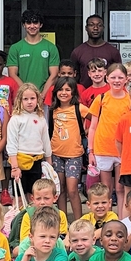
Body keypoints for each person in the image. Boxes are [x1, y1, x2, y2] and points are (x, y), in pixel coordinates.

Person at [87, 63, 131, 210]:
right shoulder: (101, 99)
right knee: (106, 188)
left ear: (126, 79)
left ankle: (120, 220)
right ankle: (107, 220)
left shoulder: (130, 100)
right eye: (113, 77)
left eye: (120, 77)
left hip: (123, 149)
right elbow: (92, 127)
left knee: (120, 189)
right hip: (103, 148)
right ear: (107, 78)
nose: (117, 80)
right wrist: (91, 151)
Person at [48, 76, 89, 221]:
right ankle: (63, 222)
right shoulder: (52, 110)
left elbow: (95, 118)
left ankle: (78, 222)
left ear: (73, 92)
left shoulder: (79, 108)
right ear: (55, 92)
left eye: (67, 89)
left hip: (74, 155)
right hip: (56, 154)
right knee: (60, 190)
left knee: (72, 190)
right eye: (60, 89)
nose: (63, 92)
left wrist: (89, 131)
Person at [7, 83, 51, 201]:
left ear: (37, 99)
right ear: (20, 100)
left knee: (34, 196)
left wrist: (49, 164)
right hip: (20, 162)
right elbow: (11, 143)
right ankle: (20, 218)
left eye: (32, 98)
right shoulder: (16, 119)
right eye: (25, 99)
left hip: (36, 162)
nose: (29, 102)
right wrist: (15, 167)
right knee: (20, 196)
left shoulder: (41, 118)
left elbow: (46, 141)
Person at [7, 9, 60, 92]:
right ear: (24, 25)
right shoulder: (15, 48)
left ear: (41, 24)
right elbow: (12, 74)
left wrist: (42, 95)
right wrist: (27, 92)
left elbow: (54, 75)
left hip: (44, 97)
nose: (32, 26)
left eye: (35, 22)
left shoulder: (51, 47)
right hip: (23, 96)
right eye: (28, 23)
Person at [17, 179, 69, 251]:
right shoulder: (28, 215)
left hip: (54, 247)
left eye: (46, 198)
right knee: (17, 250)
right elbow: (25, 240)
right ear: (33, 199)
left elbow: (62, 236)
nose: (42, 202)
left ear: (55, 198)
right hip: (33, 248)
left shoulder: (60, 214)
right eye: (38, 199)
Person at [71, 15, 122, 88]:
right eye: (91, 25)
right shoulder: (77, 52)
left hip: (108, 95)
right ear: (86, 28)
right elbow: (74, 77)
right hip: (84, 95)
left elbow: (119, 74)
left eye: (99, 25)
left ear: (103, 28)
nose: (95, 28)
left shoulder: (113, 51)